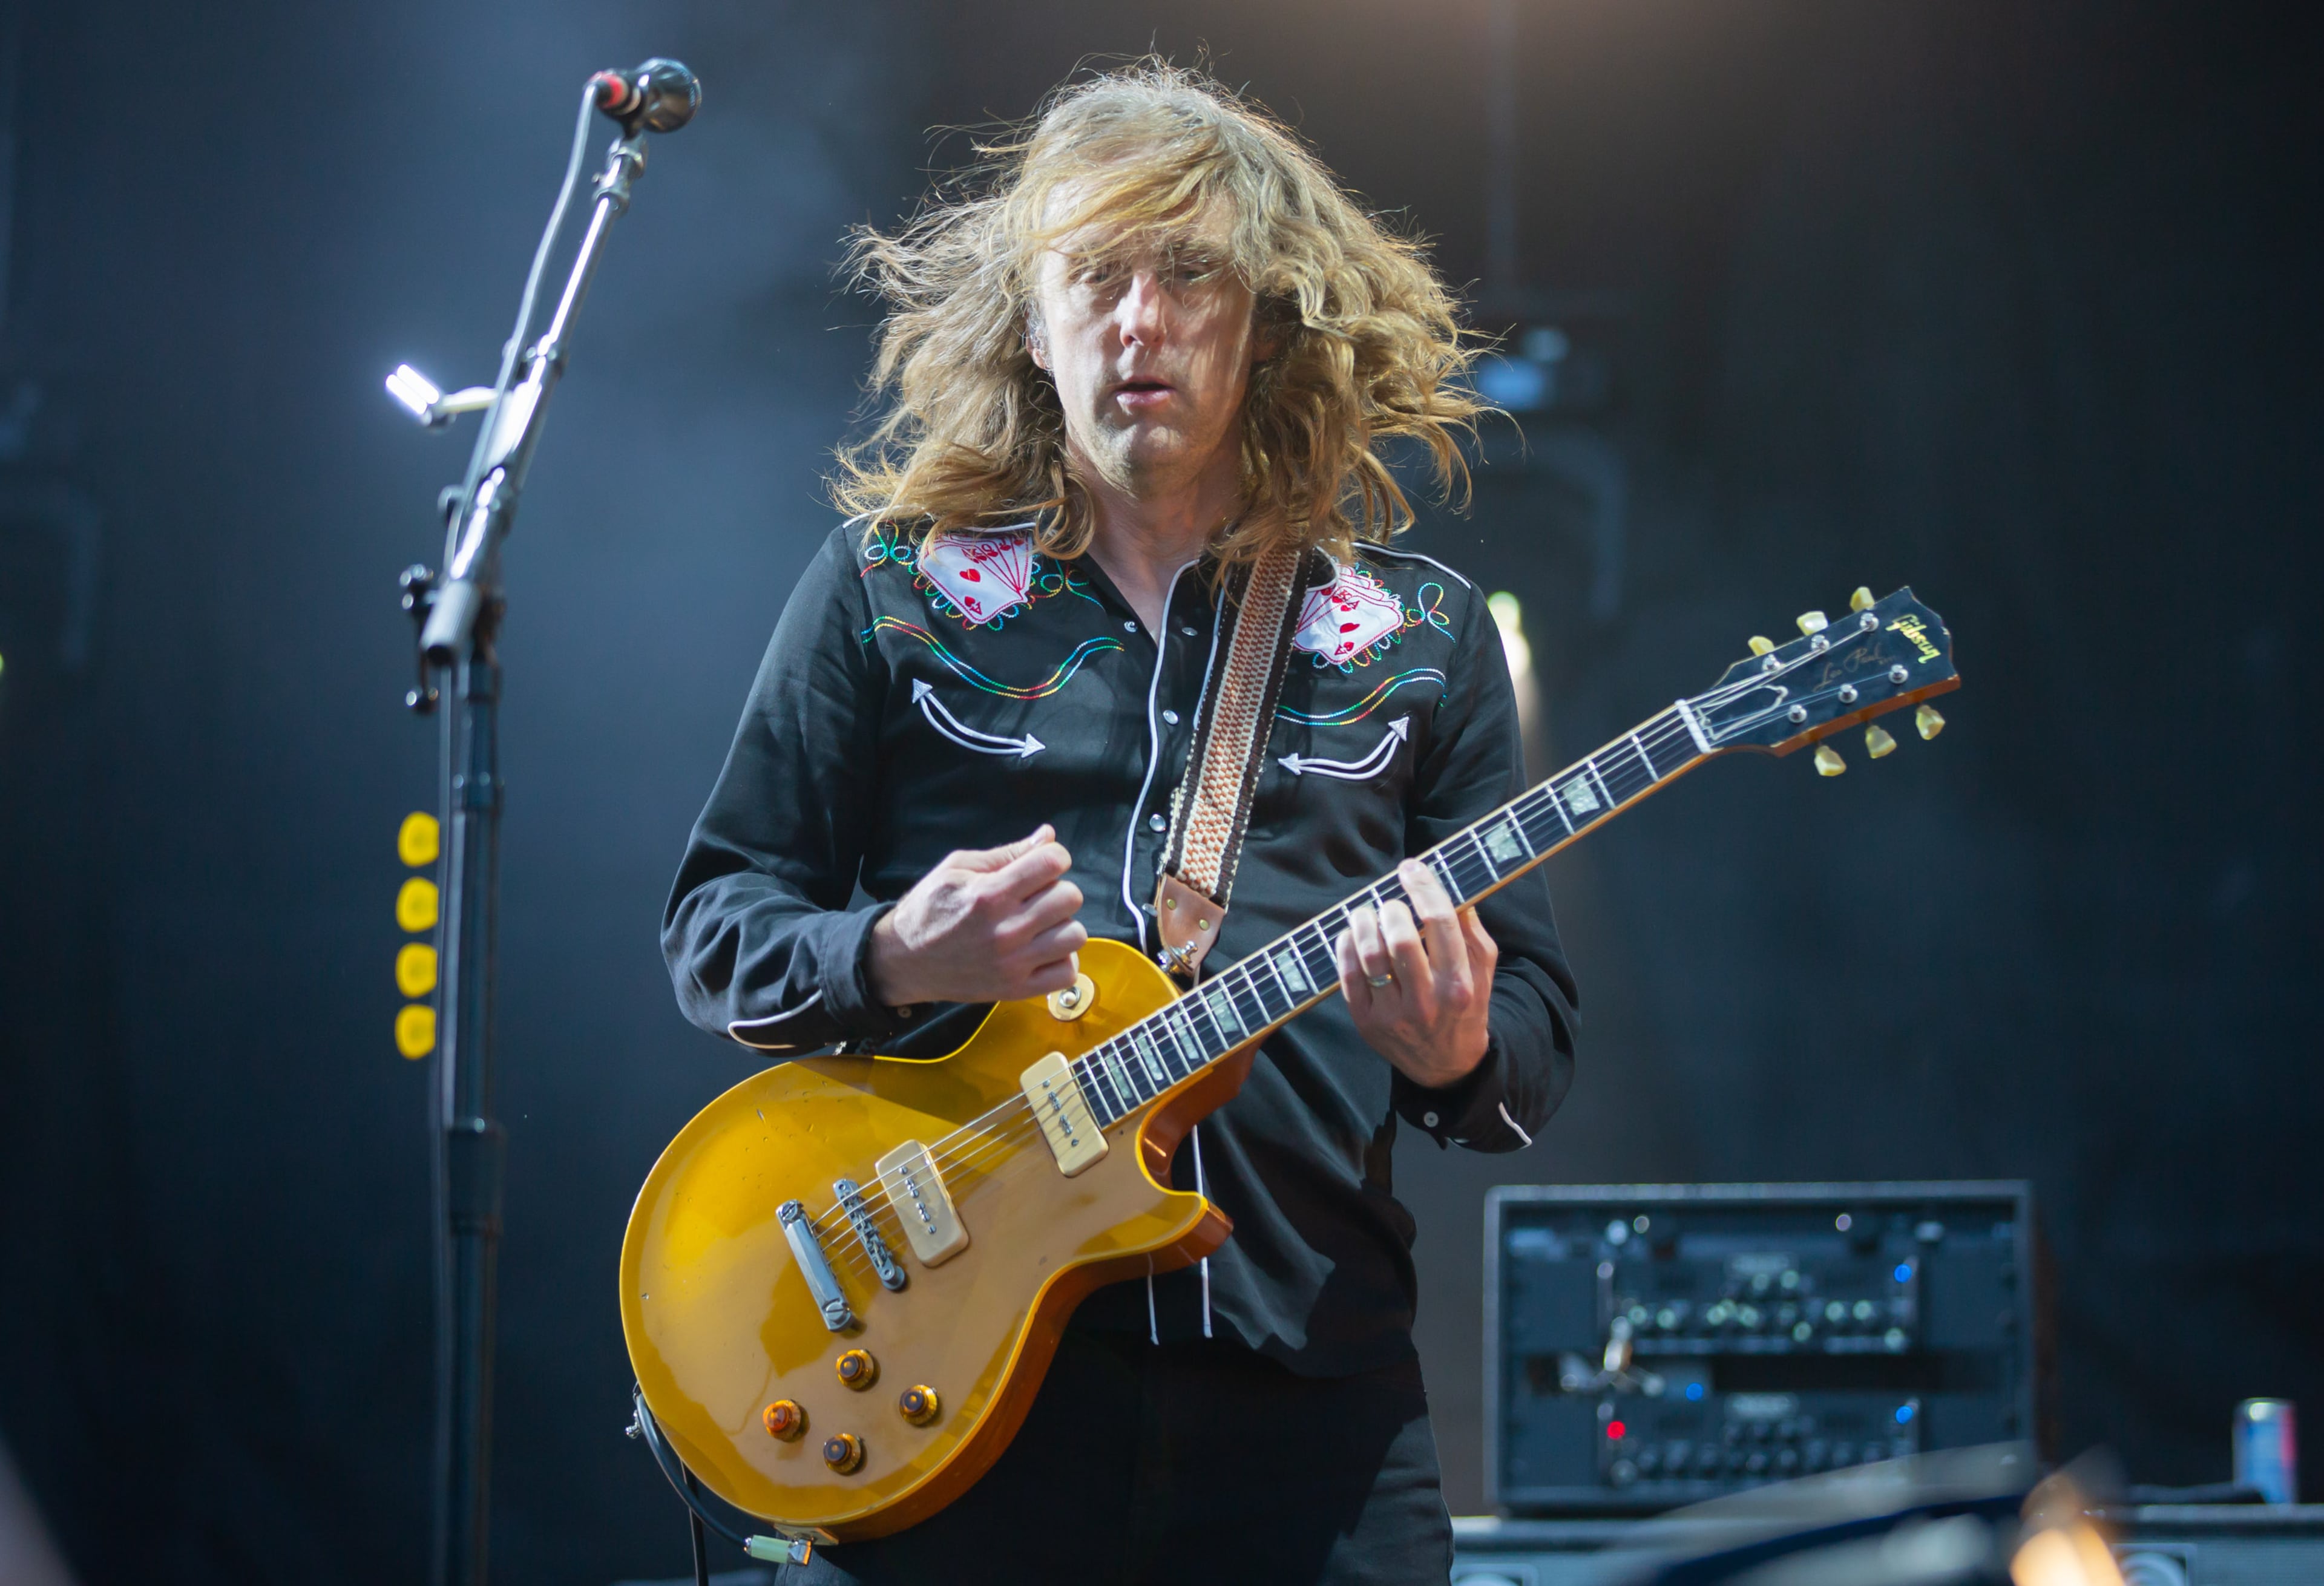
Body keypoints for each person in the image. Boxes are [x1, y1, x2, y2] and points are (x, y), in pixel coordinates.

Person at [663, 61, 1578, 1586]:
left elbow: (1531, 1047)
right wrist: (890, 953)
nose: (1139, 319)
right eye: (1094, 277)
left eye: (1188, 274)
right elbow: (716, 931)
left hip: (1310, 1405)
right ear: (1033, 321)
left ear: (1264, 316)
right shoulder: (891, 589)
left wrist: (1461, 1053)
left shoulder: (1415, 635)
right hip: (957, 1379)